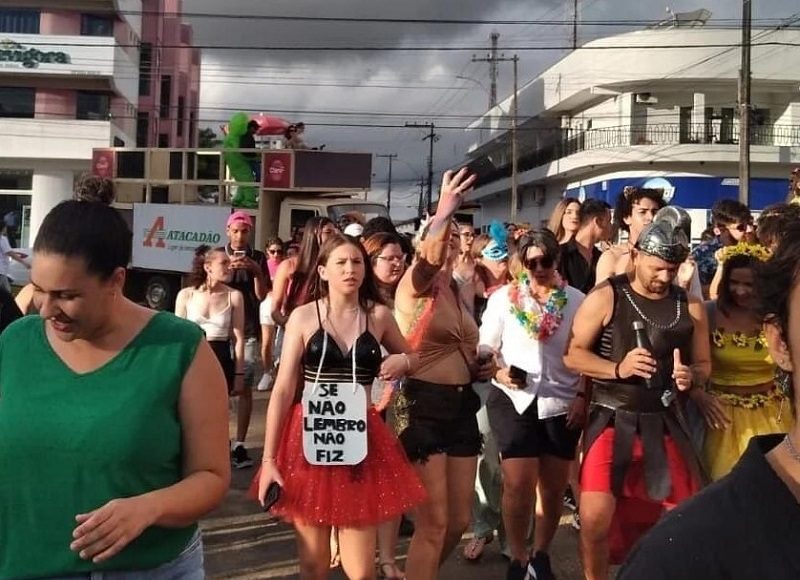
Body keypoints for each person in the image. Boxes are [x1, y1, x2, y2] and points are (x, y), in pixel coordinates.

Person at [0, 200, 229, 578]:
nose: (46, 309)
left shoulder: (179, 348)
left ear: (116, 281)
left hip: (148, 569)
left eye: (67, 295)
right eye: (39, 289)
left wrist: (149, 507)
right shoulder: (15, 342)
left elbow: (212, 477)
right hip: (25, 565)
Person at [618, 221, 800, 580]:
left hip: (768, 410)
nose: (741, 291)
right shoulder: (682, 559)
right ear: (780, 342)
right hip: (723, 418)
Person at [256, 234, 426, 580]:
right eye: (341, 263)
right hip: (311, 437)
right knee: (314, 565)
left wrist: (404, 362)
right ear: (322, 271)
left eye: (357, 262)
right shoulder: (303, 317)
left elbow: (415, 357)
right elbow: (284, 389)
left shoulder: (378, 315)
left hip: (360, 438)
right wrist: (269, 460)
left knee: (361, 571)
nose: (350, 269)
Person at [564, 207, 711, 579]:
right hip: (611, 418)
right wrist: (618, 368)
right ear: (636, 255)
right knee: (595, 520)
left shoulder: (689, 304)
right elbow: (573, 354)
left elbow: (704, 364)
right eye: (657, 268)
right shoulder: (607, 295)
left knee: (686, 520)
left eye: (672, 270)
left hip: (666, 421)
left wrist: (690, 376)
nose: (665, 277)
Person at [393, 169, 494, 580]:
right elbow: (429, 260)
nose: (450, 245)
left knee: (457, 521)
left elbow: (465, 348)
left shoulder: (457, 289)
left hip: (461, 405)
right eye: (444, 238)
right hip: (422, 405)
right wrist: (444, 211)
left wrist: (482, 363)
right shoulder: (414, 285)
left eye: (455, 239)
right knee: (433, 523)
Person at [480, 230, 586, 580]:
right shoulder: (503, 299)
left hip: (561, 400)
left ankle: (540, 555)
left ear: (557, 260)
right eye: (531, 263)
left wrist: (582, 396)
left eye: (546, 261)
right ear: (521, 264)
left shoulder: (577, 301)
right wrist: (498, 371)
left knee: (553, 488)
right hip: (514, 398)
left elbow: (588, 353)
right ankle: (517, 556)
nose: (539, 268)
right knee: (517, 483)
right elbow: (486, 346)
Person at [690, 243, 788, 481]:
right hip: (720, 416)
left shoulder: (775, 316)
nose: (740, 291)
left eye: (749, 285)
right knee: (726, 482)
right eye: (734, 282)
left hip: (772, 413)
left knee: (776, 482)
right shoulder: (708, 313)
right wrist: (698, 394)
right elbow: (689, 364)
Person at [362, 232, 409, 579]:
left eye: (400, 257)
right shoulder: (357, 301)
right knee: (357, 480)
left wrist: (404, 360)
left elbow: (413, 353)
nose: (397, 263)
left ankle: (388, 558)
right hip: (360, 403)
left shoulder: (412, 295)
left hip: (401, 400)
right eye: (388, 258)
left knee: (392, 478)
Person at [225, 211, 269, 469]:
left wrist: (256, 271)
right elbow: (209, 287)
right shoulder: (219, 255)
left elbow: (262, 296)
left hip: (249, 329)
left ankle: (240, 443)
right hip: (221, 331)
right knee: (220, 387)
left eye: (244, 231)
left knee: (245, 387)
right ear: (228, 231)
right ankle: (221, 439)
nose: (240, 237)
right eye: (235, 231)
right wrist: (225, 270)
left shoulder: (259, 258)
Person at [175, 246, 246, 399]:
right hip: (192, 360)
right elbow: (178, 336)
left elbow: (238, 338)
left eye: (230, 263)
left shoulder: (234, 296)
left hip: (220, 358)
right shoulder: (186, 295)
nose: (230, 267)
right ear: (208, 267)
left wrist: (239, 374)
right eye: (224, 263)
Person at [271, 216, 338, 327]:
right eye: (328, 232)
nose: (333, 237)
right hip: (294, 325)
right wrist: (288, 324)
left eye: (335, 232)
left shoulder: (334, 265)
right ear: (313, 234)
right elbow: (275, 309)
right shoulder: (289, 265)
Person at [691, 199, 754, 298]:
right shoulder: (702, 254)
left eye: (750, 224)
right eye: (741, 227)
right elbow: (697, 291)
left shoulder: (753, 250)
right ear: (721, 230)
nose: (749, 230)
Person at [558, 198, 612, 293]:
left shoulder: (601, 257)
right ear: (598, 222)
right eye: (609, 221)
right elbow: (553, 292)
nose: (611, 227)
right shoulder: (560, 254)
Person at [0, 223, 29, 292]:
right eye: (5, 228)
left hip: (2, 271)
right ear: (3, 228)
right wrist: (24, 262)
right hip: (1, 271)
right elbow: (10, 253)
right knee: (6, 292)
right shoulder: (2, 239)